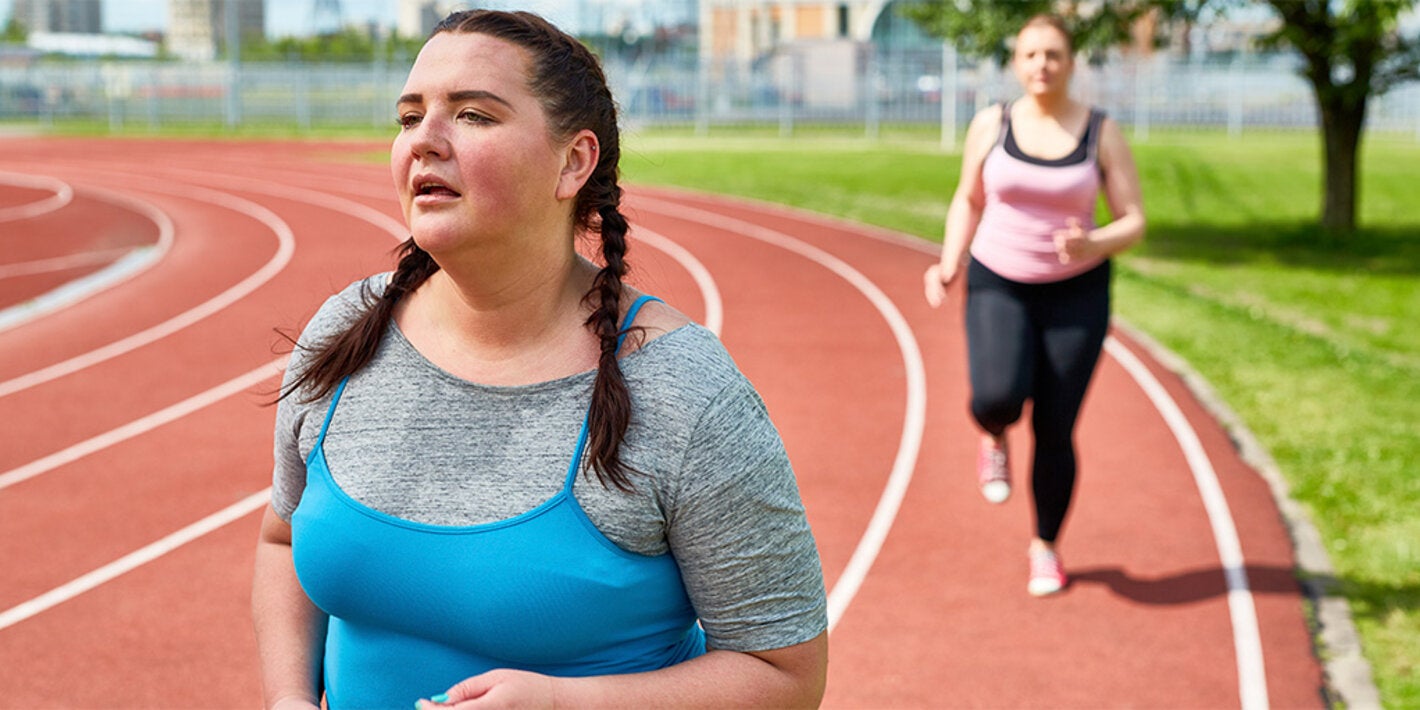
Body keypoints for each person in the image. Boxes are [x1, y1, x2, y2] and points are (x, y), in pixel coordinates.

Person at [251, 10, 828, 709]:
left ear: (573, 162)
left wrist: (565, 705)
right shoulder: (348, 333)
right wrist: (286, 697)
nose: (424, 141)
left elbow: (785, 676)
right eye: (409, 116)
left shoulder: (682, 392)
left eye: (472, 115)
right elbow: (283, 542)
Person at [922, 14, 1146, 597]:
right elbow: (967, 200)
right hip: (1000, 278)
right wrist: (950, 261)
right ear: (1016, 64)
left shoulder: (1101, 131)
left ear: (1071, 63)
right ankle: (992, 434)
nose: (1041, 65)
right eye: (1030, 55)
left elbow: (1134, 220)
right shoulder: (991, 125)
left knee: (1055, 426)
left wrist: (1092, 242)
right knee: (996, 396)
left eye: (1053, 55)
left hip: (1078, 292)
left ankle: (1045, 546)